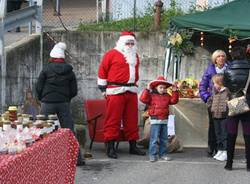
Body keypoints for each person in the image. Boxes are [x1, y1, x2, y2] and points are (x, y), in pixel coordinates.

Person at [35, 42, 85, 166]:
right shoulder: (69, 71)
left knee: (42, 130)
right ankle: (77, 159)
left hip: (47, 103)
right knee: (69, 131)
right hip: (63, 103)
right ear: (63, 58)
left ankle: (39, 161)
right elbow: (74, 91)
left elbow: (38, 87)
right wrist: (66, 99)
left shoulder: (46, 69)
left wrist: (42, 98)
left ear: (52, 57)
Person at [97, 31, 145, 159]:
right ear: (121, 42)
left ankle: (133, 146)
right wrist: (103, 88)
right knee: (113, 119)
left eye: (132, 43)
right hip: (115, 90)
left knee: (132, 119)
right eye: (127, 42)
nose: (129, 45)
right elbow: (102, 70)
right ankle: (110, 146)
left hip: (131, 91)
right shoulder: (111, 54)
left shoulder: (135, 56)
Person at [139, 76, 179, 162]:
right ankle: (152, 155)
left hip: (164, 120)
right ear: (156, 87)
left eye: (164, 88)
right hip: (155, 119)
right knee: (154, 138)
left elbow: (174, 101)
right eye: (160, 87)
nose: (162, 89)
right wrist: (147, 89)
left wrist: (175, 91)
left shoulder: (167, 96)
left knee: (164, 139)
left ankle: (163, 154)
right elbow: (142, 99)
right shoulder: (151, 95)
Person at [223, 46, 250, 171]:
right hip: (248, 104)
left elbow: (226, 86)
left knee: (231, 134)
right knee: (248, 135)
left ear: (232, 56)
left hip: (233, 103)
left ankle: (229, 164)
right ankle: (249, 165)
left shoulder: (228, 70)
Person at [199, 49, 228, 157]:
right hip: (213, 103)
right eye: (218, 56)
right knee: (213, 126)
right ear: (214, 59)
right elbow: (202, 86)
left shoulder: (229, 69)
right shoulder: (210, 69)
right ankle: (212, 147)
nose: (221, 58)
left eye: (223, 56)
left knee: (225, 127)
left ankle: (224, 149)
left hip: (225, 102)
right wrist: (207, 98)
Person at [207, 74, 230, 161]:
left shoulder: (227, 92)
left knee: (224, 134)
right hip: (215, 116)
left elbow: (230, 102)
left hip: (224, 117)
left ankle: (225, 151)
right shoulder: (214, 92)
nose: (214, 85)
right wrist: (210, 107)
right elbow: (210, 101)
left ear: (220, 83)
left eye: (215, 83)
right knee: (218, 134)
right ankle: (220, 150)